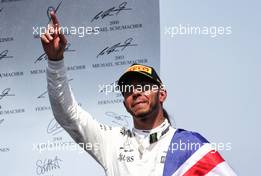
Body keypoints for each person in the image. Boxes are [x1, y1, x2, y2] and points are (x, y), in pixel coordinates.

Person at [41, 11, 237, 176]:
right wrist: (55, 62)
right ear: (125, 102)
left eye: (143, 85)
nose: (135, 92)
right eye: (128, 89)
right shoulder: (113, 142)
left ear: (162, 94)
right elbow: (68, 115)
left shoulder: (190, 146)